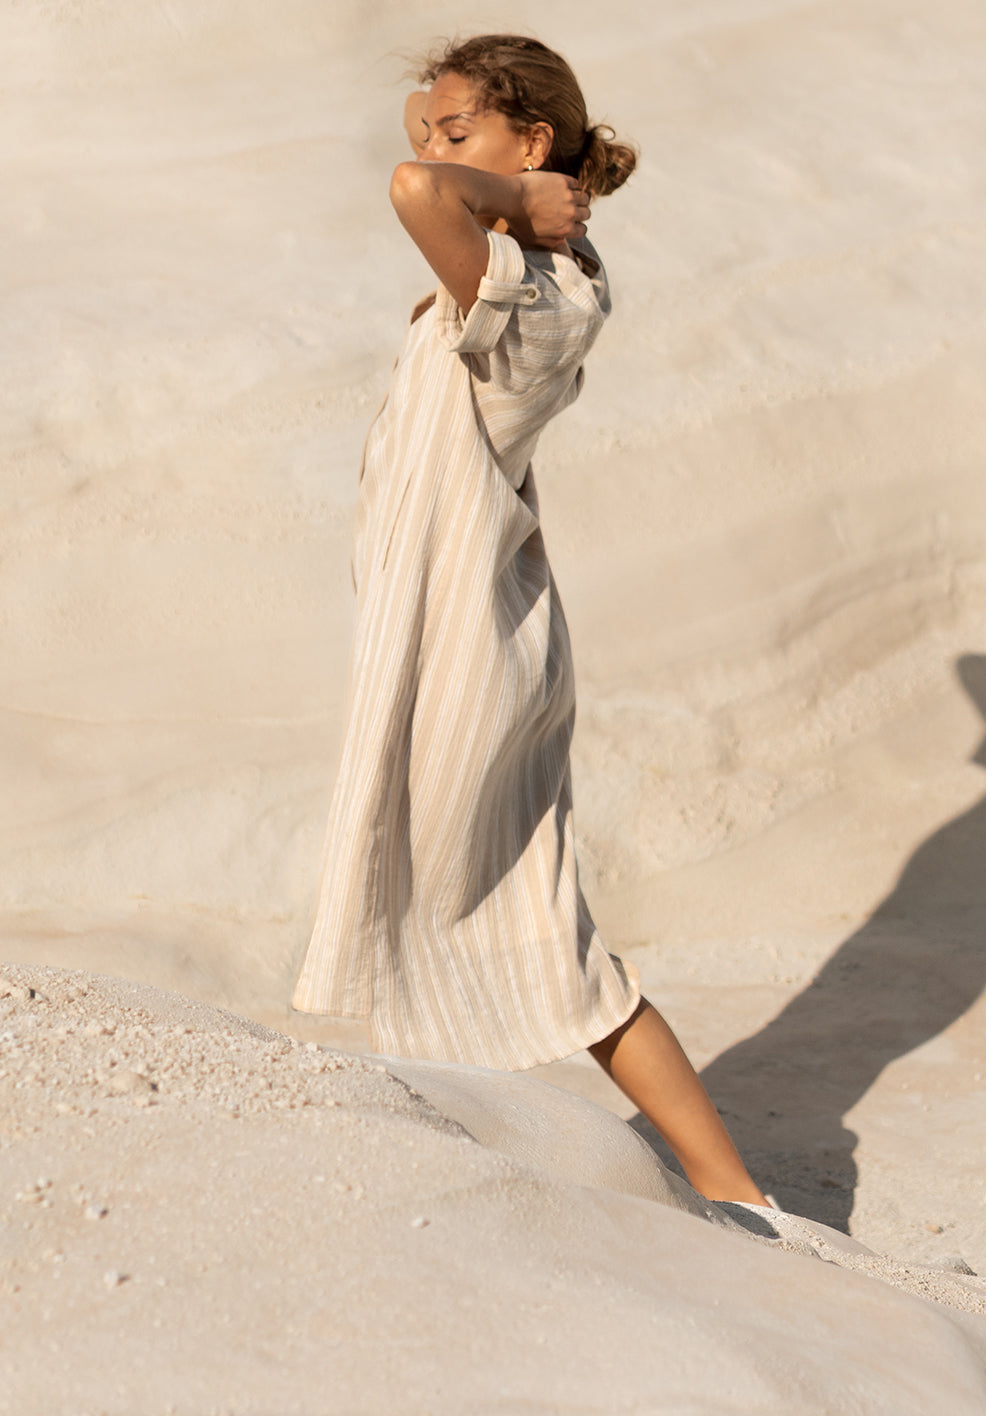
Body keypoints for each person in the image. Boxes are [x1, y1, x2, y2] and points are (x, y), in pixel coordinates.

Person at [293, 34, 768, 1206]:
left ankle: (723, 1190)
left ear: (534, 144)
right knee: (481, 916)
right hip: (450, 635)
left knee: (528, 932)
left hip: (473, 651)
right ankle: (674, 1181)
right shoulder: (512, 250)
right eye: (441, 127)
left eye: (465, 130)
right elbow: (422, 139)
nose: (432, 138)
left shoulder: (541, 292)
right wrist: (494, 158)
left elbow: (415, 184)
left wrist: (508, 192)